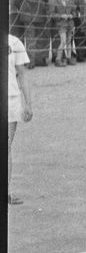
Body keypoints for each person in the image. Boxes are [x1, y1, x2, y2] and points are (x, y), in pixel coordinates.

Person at [8, 33, 33, 205]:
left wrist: (28, 104)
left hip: (10, 101)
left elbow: (22, 75)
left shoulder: (14, 42)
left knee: (5, 147)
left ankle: (6, 192)